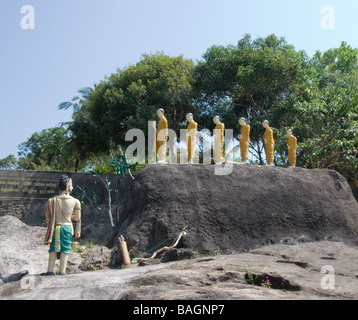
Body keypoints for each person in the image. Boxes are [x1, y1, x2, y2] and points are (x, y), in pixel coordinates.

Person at [44, 176, 81, 275]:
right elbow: (77, 218)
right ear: (68, 186)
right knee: (65, 249)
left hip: (55, 227)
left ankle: (50, 270)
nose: (72, 188)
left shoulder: (51, 201)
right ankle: (62, 271)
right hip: (67, 227)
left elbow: (48, 218)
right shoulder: (75, 202)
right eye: (71, 185)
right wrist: (71, 215)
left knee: (53, 249)